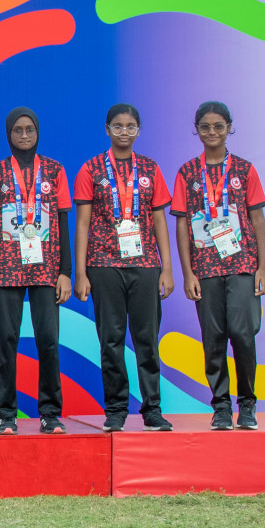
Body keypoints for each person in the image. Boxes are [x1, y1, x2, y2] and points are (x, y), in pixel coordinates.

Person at [74, 103, 175, 432]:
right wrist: (81, 271)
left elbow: (160, 220)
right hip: (104, 264)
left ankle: (153, 410)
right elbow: (83, 223)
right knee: (112, 339)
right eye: (117, 126)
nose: (124, 132)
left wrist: (167, 268)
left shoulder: (150, 169)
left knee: (146, 338)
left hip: (145, 264)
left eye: (131, 126)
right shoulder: (91, 169)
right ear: (107, 129)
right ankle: (116, 409)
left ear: (139, 131)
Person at [170, 101, 265, 430]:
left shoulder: (245, 169)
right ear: (197, 130)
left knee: (242, 334)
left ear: (229, 128)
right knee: (213, 338)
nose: (212, 132)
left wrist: (262, 268)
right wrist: (188, 273)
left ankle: (248, 404)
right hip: (205, 267)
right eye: (205, 127)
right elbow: (182, 224)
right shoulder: (187, 173)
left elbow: (257, 219)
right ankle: (221, 406)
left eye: (218, 126)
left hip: (241, 263)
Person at [0, 107, 73, 435]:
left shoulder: (55, 171)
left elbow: (62, 221)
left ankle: (50, 412)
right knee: (6, 339)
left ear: (37, 132)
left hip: (46, 268)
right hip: (6, 269)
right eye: (17, 130)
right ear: (9, 134)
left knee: (48, 340)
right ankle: (7, 414)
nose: (24, 135)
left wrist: (66, 272)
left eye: (29, 129)